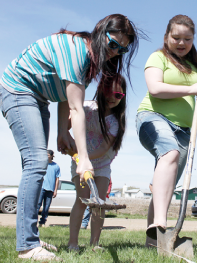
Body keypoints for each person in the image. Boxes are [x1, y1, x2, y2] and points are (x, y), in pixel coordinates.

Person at [0, 14, 141, 260]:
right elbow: (77, 109)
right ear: (100, 32)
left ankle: (29, 236)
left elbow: (66, 97)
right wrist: (83, 158)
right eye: (113, 44)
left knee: (36, 164)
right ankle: (26, 245)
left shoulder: (89, 64)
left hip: (39, 98)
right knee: (36, 162)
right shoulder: (78, 52)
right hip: (18, 90)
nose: (116, 52)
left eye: (123, 49)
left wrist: (62, 132)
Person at [136, 14, 197, 241]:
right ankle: (161, 223)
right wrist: (192, 89)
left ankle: (154, 242)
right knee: (169, 153)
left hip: (184, 130)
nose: (181, 43)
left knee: (167, 183)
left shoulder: (194, 66)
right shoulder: (158, 57)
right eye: (176, 37)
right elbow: (155, 88)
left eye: (187, 39)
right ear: (166, 37)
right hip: (153, 117)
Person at [68, 76, 127, 251]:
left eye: (117, 94)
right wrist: (69, 144)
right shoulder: (86, 108)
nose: (112, 97)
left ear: (122, 97)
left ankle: (95, 243)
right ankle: (73, 243)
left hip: (101, 164)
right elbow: (67, 124)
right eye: (108, 91)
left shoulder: (115, 122)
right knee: (81, 200)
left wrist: (87, 157)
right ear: (100, 89)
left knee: (99, 204)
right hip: (80, 163)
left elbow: (103, 149)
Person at [37, 150, 61, 227]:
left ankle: (42, 222)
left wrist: (55, 190)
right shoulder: (42, 164)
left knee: (46, 207)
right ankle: (33, 221)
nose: (46, 156)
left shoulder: (56, 166)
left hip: (50, 189)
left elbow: (57, 179)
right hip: (41, 188)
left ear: (51, 156)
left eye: (47, 155)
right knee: (37, 205)